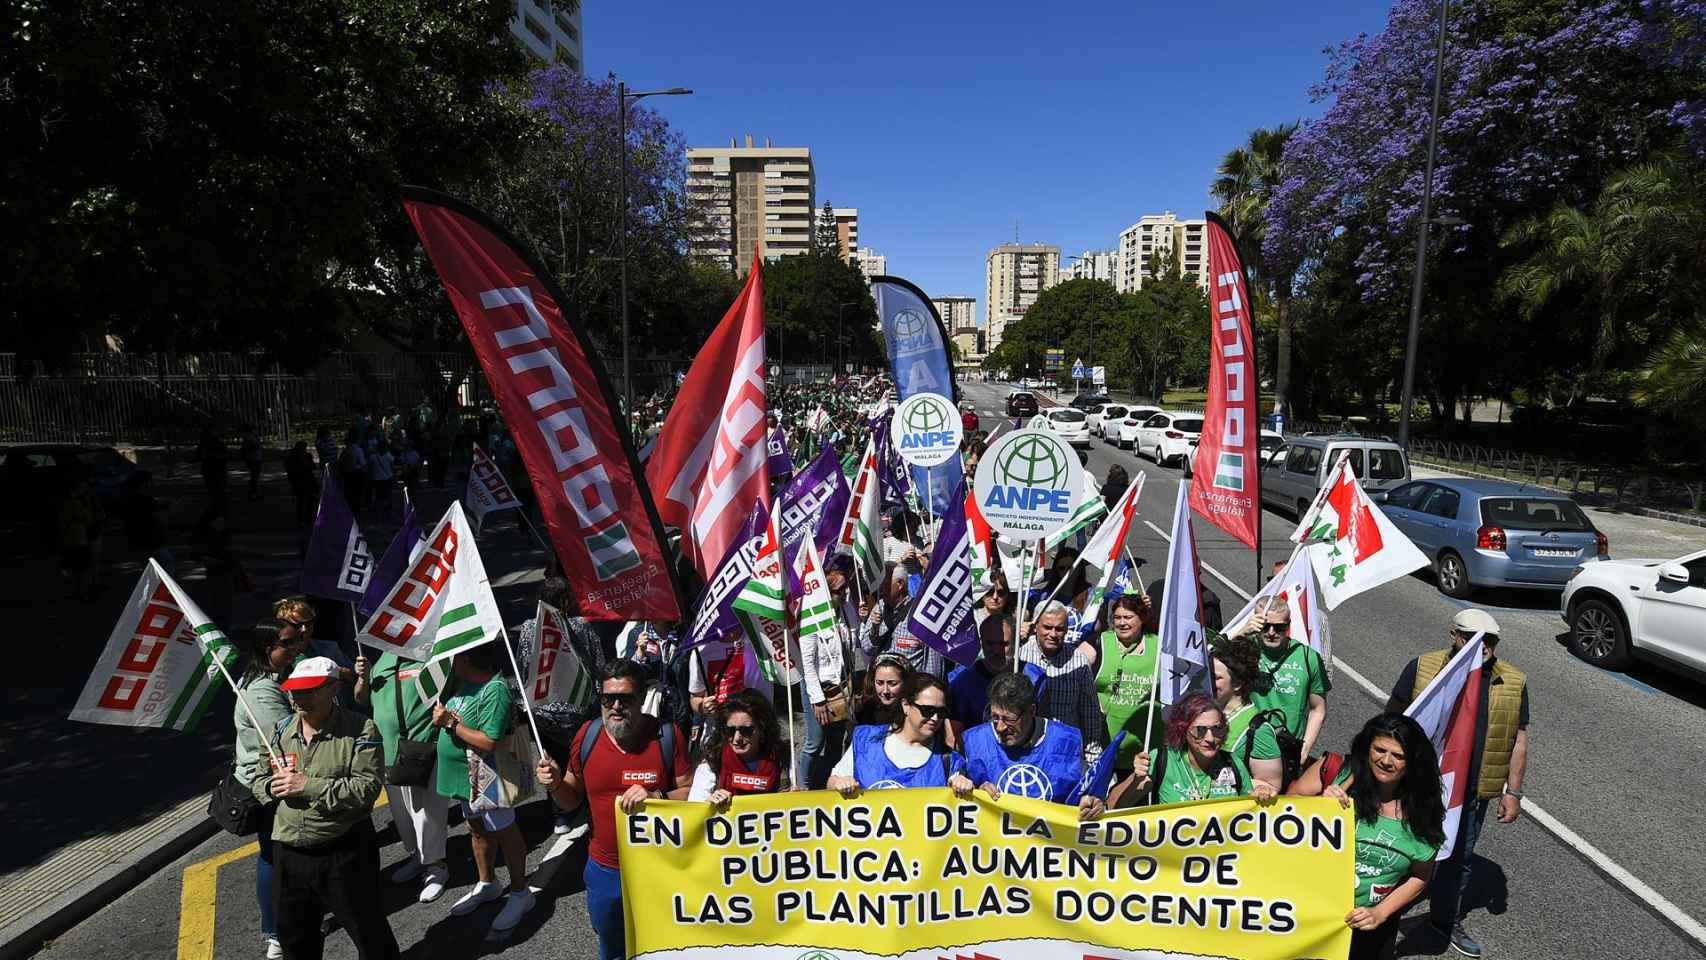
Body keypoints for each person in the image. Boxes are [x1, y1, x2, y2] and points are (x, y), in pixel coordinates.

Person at [1384, 608, 1529, 959]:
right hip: (1418, 787)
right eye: (1473, 638)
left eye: (1490, 641)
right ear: (1454, 636)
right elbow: (1391, 721)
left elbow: (1519, 738)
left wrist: (1514, 791)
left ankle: (1444, 922)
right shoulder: (1423, 668)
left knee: (1456, 860)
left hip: (1472, 792)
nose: (1483, 647)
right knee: (1397, 851)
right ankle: (1381, 920)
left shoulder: (1513, 681)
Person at [536, 660, 690, 960]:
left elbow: (690, 793)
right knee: (612, 948)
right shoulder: (587, 735)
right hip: (605, 869)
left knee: (663, 947)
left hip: (660, 868)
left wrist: (657, 794)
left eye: (625, 698)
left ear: (642, 698)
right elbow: (571, 799)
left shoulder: (667, 736)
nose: (616, 706)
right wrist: (555, 784)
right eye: (608, 698)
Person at [250, 656, 398, 960]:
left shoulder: (361, 730)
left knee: (368, 933)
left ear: (332, 689)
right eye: (295, 690)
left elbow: (367, 790)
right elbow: (258, 779)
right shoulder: (279, 732)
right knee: (296, 939)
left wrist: (307, 785)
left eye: (309, 690)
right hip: (290, 853)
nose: (299, 697)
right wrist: (269, 788)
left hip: (342, 851)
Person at [1312, 713, 1446, 960]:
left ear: (1413, 761)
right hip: (1313, 916)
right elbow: (1284, 822)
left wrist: (1380, 913)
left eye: (1398, 756)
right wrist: (1318, 810)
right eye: (1380, 750)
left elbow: (1420, 876)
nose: (1386, 761)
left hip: (1369, 933)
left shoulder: (1424, 815)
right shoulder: (1343, 780)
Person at [430, 643, 535, 932]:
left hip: (488, 778)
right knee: (476, 829)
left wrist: (450, 724)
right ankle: (487, 883)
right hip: (464, 779)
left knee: (505, 833)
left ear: (466, 658)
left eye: (454, 654)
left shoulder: (495, 689)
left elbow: (491, 741)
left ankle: (520, 893)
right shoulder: (460, 682)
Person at [353, 646, 449, 905]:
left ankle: (436, 867)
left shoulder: (431, 656)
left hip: (421, 747)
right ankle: (417, 857)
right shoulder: (383, 658)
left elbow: (448, 691)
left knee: (427, 811)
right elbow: (363, 699)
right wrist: (362, 677)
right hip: (388, 750)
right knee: (401, 814)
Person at [233, 619, 304, 960]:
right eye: (287, 644)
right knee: (274, 856)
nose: (294, 649)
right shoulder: (262, 691)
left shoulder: (273, 680)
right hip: (269, 786)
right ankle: (276, 932)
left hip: (274, 779)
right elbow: (285, 736)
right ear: (267, 649)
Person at [951, 672, 1104, 818]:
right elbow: (955, 778)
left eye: (1009, 719)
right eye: (995, 717)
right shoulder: (975, 741)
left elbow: (1086, 792)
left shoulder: (1066, 742)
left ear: (1031, 711)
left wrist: (1092, 802)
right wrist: (968, 786)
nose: (1000, 727)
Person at [1112, 693, 1278, 807]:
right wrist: (1135, 780)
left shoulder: (1232, 763)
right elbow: (1113, 805)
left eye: (1217, 729)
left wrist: (1260, 795)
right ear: (1184, 730)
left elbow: (1250, 811)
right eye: (1200, 730)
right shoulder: (1163, 759)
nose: (1210, 738)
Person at [829, 673, 965, 794]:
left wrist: (962, 784)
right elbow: (832, 782)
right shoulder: (866, 739)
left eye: (941, 712)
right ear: (905, 705)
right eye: (927, 710)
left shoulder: (949, 760)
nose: (935, 718)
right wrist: (839, 783)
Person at [1018, 601, 1106, 764]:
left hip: (1064, 751)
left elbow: (1090, 713)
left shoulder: (1078, 661)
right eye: (1047, 627)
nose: (1053, 634)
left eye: (1059, 629)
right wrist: (1018, 639)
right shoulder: (1020, 654)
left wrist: (1092, 756)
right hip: (1027, 749)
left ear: (1066, 630)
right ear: (1036, 626)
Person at [1245, 595, 1329, 760]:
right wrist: (1242, 631)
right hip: (1246, 742)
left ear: (1288, 626)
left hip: (1286, 746)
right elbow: (1211, 662)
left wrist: (1304, 749)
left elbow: (1318, 709)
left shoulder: (1308, 657)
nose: (1271, 632)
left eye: (1279, 627)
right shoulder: (1244, 648)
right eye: (1265, 625)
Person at [1093, 595, 1164, 779]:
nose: (1122, 623)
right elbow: (1073, 662)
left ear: (1141, 619)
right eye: (1117, 618)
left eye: (1128, 617)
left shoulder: (1159, 645)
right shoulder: (1100, 642)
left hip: (1144, 750)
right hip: (1104, 747)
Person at [796, 561, 852, 790]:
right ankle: (803, 785)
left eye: (845, 589)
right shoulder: (812, 616)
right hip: (817, 688)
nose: (844, 594)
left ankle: (828, 781)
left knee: (836, 740)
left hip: (839, 687)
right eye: (839, 591)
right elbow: (807, 665)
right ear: (826, 592)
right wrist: (817, 701)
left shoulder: (846, 612)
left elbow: (854, 642)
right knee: (814, 741)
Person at [1210, 633, 1286, 790]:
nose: (1208, 681)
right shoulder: (1204, 712)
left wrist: (1219, 784)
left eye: (1216, 678)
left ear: (1237, 684)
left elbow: (1271, 786)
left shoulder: (1259, 731)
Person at [946, 614, 1045, 730]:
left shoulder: (1036, 678)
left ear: (1016, 642)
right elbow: (953, 735)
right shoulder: (961, 681)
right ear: (981, 642)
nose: (997, 651)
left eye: (1004, 644)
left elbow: (1042, 727)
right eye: (990, 644)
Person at [688, 690, 785, 803]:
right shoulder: (712, 762)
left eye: (746, 731)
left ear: (762, 729)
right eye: (730, 730)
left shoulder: (782, 759)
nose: (737, 738)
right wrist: (708, 803)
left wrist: (795, 796)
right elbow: (694, 808)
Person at [120, 470, 172, 575]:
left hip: (137, 542)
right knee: (166, 569)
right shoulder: (145, 501)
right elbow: (159, 518)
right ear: (144, 483)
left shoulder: (127, 500)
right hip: (151, 542)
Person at [854, 652, 913, 727]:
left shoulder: (913, 713)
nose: (885, 691)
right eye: (879, 683)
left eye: (892, 683)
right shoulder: (866, 710)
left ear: (905, 682)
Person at [284, 442, 318, 527]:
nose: (304, 450)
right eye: (303, 448)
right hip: (299, 481)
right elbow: (291, 471)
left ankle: (309, 518)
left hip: (308, 480)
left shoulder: (307, 456)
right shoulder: (292, 458)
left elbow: (313, 466)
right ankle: (302, 520)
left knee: (310, 500)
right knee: (302, 500)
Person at [242, 425, 264, 501]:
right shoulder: (249, 437)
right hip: (253, 459)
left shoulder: (253, 437)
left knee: (255, 476)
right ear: (252, 430)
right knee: (254, 477)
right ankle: (253, 493)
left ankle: (254, 492)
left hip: (256, 458)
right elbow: (251, 447)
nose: (257, 431)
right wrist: (257, 445)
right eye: (255, 429)